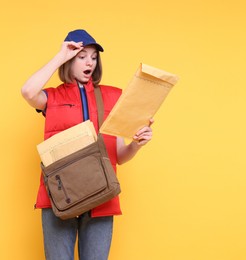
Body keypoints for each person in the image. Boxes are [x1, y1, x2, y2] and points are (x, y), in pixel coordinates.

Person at [21, 29, 153, 260]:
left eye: (93, 57)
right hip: (60, 197)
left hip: (101, 195)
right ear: (69, 61)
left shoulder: (113, 97)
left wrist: (137, 143)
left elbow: (119, 155)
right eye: (81, 56)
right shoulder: (53, 98)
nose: (89, 62)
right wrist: (61, 55)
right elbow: (28, 91)